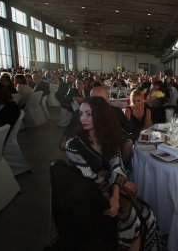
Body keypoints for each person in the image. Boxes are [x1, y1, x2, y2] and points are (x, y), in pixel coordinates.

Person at [64, 96, 164, 250]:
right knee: (132, 218)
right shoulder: (73, 145)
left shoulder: (109, 138)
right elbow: (94, 179)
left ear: (101, 116)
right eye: (81, 114)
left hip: (112, 187)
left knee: (148, 215)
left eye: (89, 114)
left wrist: (117, 194)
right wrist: (121, 185)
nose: (83, 118)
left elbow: (116, 166)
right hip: (90, 195)